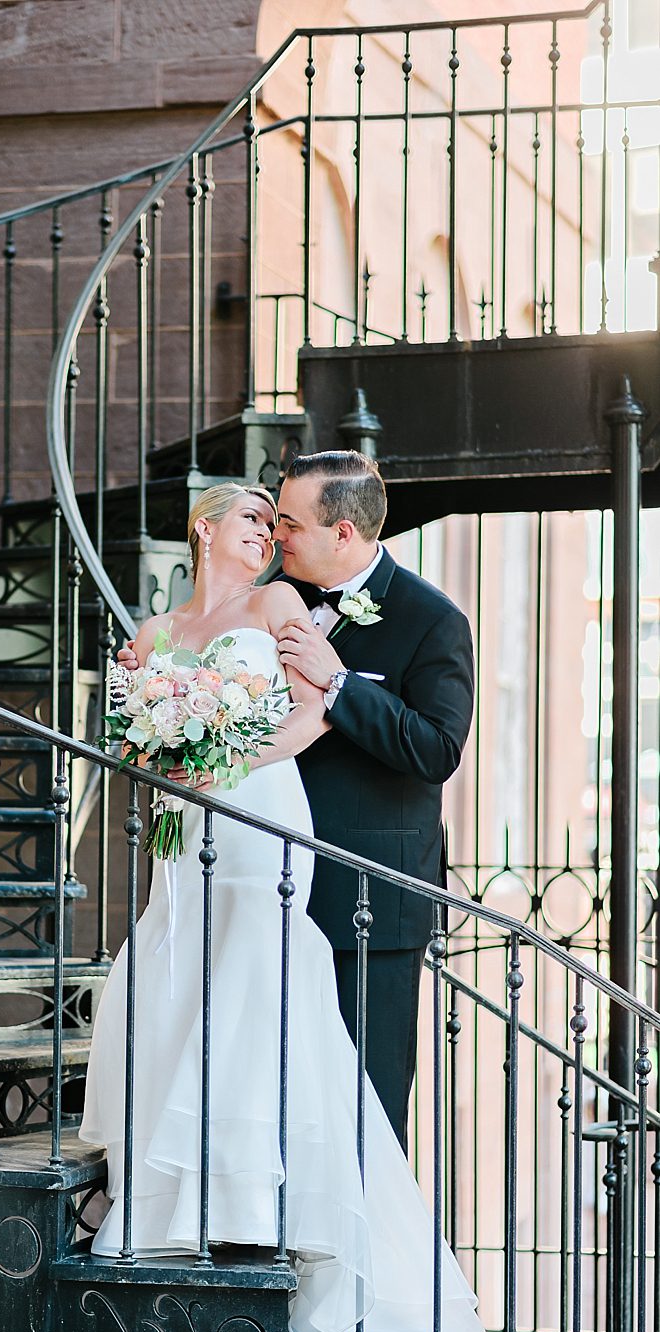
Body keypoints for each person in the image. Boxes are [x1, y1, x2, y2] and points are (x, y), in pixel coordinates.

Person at [80, 482, 485, 1332]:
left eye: (281, 521)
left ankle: (274, 1217)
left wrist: (225, 762)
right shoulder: (155, 632)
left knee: (263, 993)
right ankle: (175, 1198)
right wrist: (159, 747)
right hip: (186, 826)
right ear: (204, 528)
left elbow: (314, 715)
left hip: (261, 813)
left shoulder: (282, 606)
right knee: (181, 979)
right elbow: (131, 736)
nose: (270, 533)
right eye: (257, 518)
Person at [272, 451, 475, 1152]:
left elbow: (437, 749)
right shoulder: (275, 598)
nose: (276, 534)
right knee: (278, 1097)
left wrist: (340, 687)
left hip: (371, 907)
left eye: (290, 522)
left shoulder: (432, 620)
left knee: (366, 1109)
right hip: (271, 887)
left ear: (343, 533)